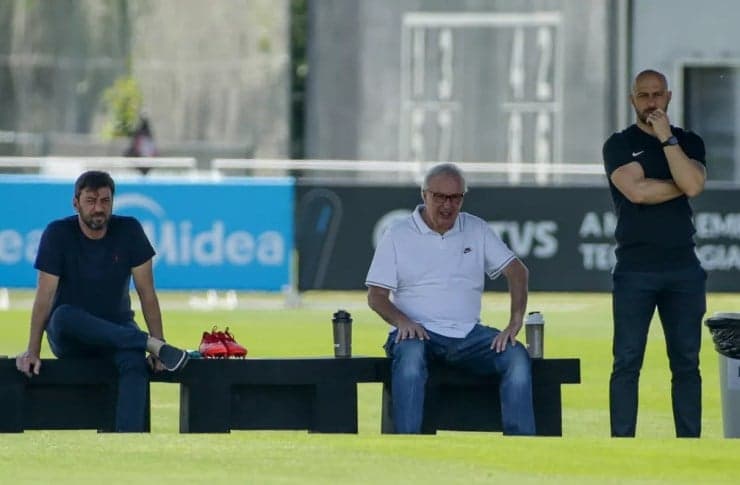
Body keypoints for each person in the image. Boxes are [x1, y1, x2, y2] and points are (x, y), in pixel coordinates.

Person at [365, 162, 535, 435]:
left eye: (455, 198)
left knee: (516, 356)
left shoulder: (475, 228)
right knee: (409, 356)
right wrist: (403, 322)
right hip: (419, 333)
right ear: (424, 195)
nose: (448, 205)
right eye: (440, 197)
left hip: (469, 335)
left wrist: (515, 323)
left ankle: (523, 444)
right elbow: (376, 296)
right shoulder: (397, 234)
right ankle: (405, 444)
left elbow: (517, 272)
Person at [15, 170, 189, 432]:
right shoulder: (57, 233)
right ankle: (147, 343)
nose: (98, 208)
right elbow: (44, 297)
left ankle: (127, 444)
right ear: (76, 203)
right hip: (71, 337)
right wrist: (33, 350)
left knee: (133, 361)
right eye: (91, 201)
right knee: (62, 315)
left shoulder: (129, 230)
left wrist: (159, 341)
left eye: (105, 201)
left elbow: (147, 293)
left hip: (117, 334)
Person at [603, 69, 707, 438]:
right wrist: (681, 181)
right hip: (635, 268)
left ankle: (690, 443)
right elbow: (638, 192)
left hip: (684, 268)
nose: (651, 102)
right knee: (627, 361)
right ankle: (622, 442)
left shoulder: (689, 141)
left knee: (686, 363)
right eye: (643, 95)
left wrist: (667, 140)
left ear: (669, 96)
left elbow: (693, 183)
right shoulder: (618, 144)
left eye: (657, 95)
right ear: (633, 99)